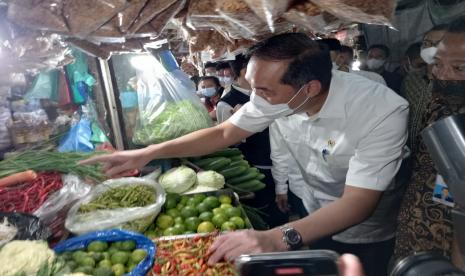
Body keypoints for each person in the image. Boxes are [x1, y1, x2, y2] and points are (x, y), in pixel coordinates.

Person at [81, 33, 408, 276]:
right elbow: (225, 132)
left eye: (264, 91)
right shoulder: (278, 96)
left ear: (309, 88)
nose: (257, 99)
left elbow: (358, 203)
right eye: (254, 88)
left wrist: (277, 238)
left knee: (359, 264)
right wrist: (146, 154)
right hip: (312, 202)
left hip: (363, 222)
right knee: (318, 260)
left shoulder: (381, 111)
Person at [394, 18, 465, 265]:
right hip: (420, 218)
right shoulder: (439, 98)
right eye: (438, 63)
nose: (442, 74)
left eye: (459, 68)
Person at [217, 54, 288, 227]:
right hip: (257, 167)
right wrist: (240, 129)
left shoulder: (272, 95)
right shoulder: (226, 104)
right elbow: (227, 143)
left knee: (283, 211)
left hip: (286, 165)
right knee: (265, 212)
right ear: (243, 72)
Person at [402, 25, 448, 154]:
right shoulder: (411, 79)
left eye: (438, 43)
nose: (430, 48)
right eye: (426, 43)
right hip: (410, 155)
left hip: (445, 157)